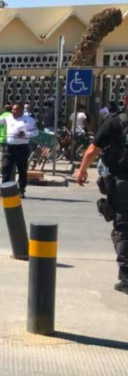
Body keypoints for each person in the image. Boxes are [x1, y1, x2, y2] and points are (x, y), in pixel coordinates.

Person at [77, 94, 128, 294]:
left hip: (122, 183)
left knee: (123, 229)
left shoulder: (116, 122)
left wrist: (82, 171)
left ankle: (126, 278)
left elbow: (92, 150)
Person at [0, 103, 39, 198]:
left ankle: (21, 190)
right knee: (6, 169)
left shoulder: (29, 120)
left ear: (22, 110)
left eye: (16, 110)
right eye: (13, 109)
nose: (13, 111)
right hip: (9, 148)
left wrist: (25, 134)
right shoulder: (8, 118)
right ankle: (4, 190)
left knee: (22, 170)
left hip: (22, 148)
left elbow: (36, 132)